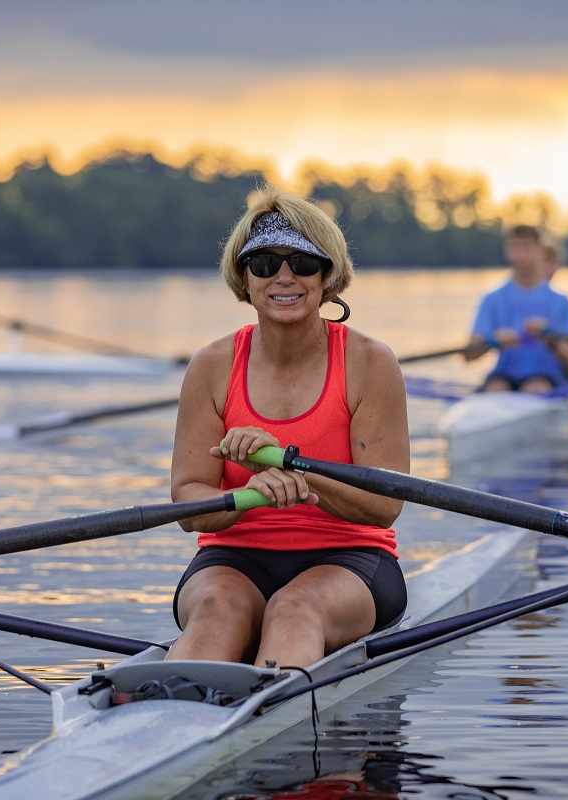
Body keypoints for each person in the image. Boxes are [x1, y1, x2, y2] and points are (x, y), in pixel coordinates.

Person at [167, 185, 410, 669]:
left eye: (302, 263)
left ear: (327, 276)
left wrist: (290, 468)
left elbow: (385, 505)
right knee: (216, 610)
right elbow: (188, 504)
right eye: (265, 263)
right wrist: (252, 489)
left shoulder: (369, 363)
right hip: (235, 556)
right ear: (244, 278)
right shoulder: (211, 366)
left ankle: (264, 717)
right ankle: (176, 715)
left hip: (352, 557)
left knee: (295, 608)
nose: (284, 277)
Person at [464, 224, 568, 393]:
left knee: (535, 388)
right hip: (503, 376)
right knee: (496, 388)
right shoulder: (492, 299)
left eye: (526, 247)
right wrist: (493, 340)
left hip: (546, 377)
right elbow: (468, 355)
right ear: (506, 252)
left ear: (541, 250)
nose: (520, 254)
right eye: (514, 247)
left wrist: (551, 339)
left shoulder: (562, 302)